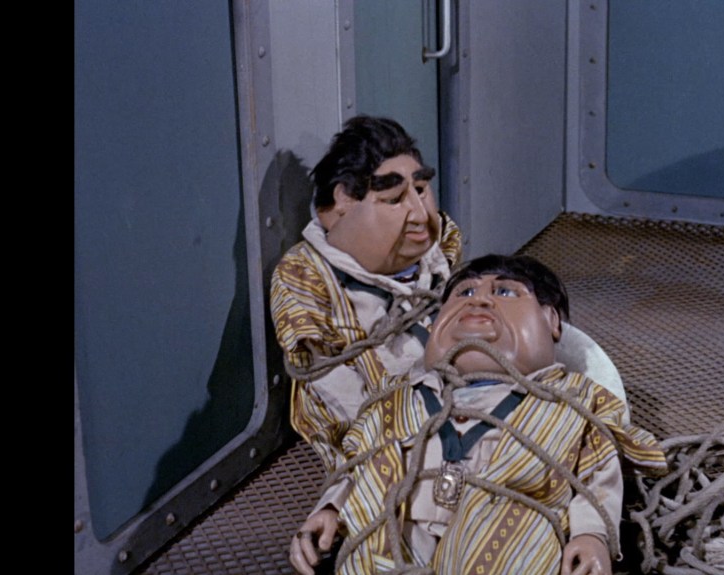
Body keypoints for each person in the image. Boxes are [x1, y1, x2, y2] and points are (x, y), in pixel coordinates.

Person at [290, 255, 668, 575]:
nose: (480, 301)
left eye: (505, 292)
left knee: (521, 546)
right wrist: (332, 507)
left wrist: (591, 535)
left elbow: (597, 473)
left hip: (510, 531)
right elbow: (360, 457)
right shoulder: (398, 396)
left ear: (552, 322)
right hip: (400, 526)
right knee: (364, 552)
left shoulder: (574, 401)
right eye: (465, 293)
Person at [270, 116, 463, 474]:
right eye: (394, 199)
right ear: (343, 202)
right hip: (396, 436)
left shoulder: (442, 245)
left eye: (421, 190)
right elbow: (335, 395)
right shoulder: (306, 279)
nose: (420, 213)